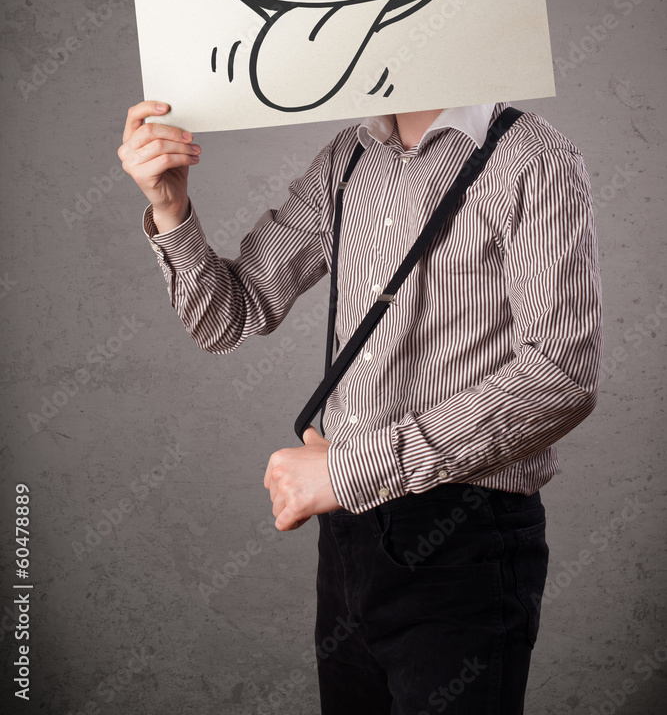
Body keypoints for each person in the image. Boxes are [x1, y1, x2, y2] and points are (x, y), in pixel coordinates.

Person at [118, 97, 603, 714]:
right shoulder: (347, 158)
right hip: (348, 536)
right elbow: (229, 315)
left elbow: (561, 376)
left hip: (465, 540)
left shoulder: (535, 158)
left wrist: (345, 471)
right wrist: (170, 208)